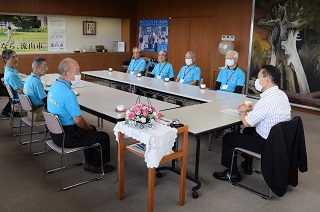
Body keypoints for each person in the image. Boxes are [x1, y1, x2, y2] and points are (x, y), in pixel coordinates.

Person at [213, 65, 291, 182]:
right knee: (247, 132)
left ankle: (232, 173)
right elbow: (268, 113)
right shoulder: (281, 94)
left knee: (228, 138)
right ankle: (247, 165)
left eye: (258, 78)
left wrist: (243, 111)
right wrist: (251, 110)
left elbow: (247, 122)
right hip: (279, 139)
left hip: (266, 143)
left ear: (267, 79)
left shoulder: (266, 99)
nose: (256, 81)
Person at [47, 58, 114, 173]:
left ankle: (90, 162)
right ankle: (96, 165)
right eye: (77, 71)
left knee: (91, 129)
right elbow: (78, 121)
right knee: (102, 135)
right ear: (66, 73)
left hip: (55, 132)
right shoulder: (68, 93)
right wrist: (87, 127)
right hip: (67, 135)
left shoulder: (54, 86)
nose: (79, 74)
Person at [2, 49, 23, 117]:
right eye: (13, 57)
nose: (16, 59)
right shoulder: (11, 74)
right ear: (5, 60)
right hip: (22, 98)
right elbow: (20, 91)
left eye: (16, 57)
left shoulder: (10, 70)